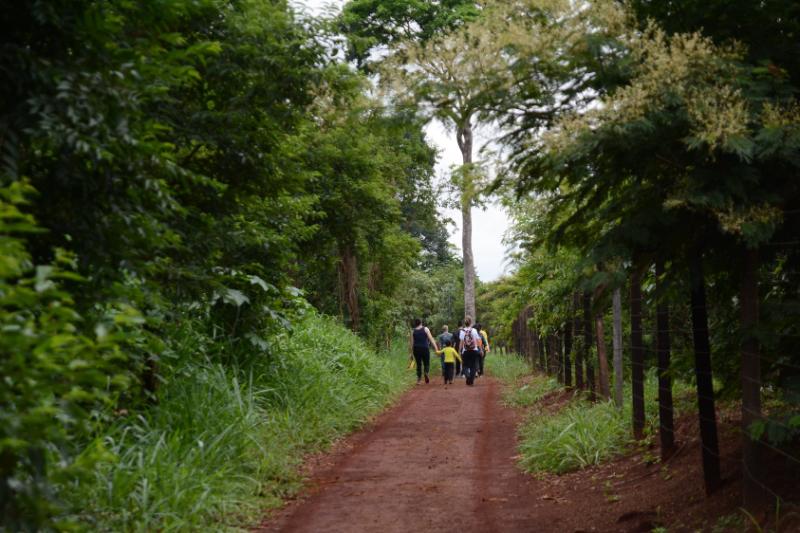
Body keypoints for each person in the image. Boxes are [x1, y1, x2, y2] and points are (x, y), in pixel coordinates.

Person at [409, 318, 438, 384]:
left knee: (419, 364)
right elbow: (431, 339)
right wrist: (436, 348)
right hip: (425, 348)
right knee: (426, 363)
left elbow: (411, 343)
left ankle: (419, 379)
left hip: (416, 349)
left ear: (415, 324)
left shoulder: (413, 331)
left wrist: (410, 353)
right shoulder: (425, 329)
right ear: (421, 322)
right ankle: (426, 372)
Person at [459, 316, 482, 386]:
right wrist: (480, 349)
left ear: (464, 323)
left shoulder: (462, 331)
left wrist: (460, 350)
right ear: (471, 322)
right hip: (474, 350)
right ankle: (471, 380)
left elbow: (461, 342)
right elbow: (478, 341)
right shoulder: (474, 330)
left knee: (465, 366)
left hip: (465, 351)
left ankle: (467, 376)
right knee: (473, 366)